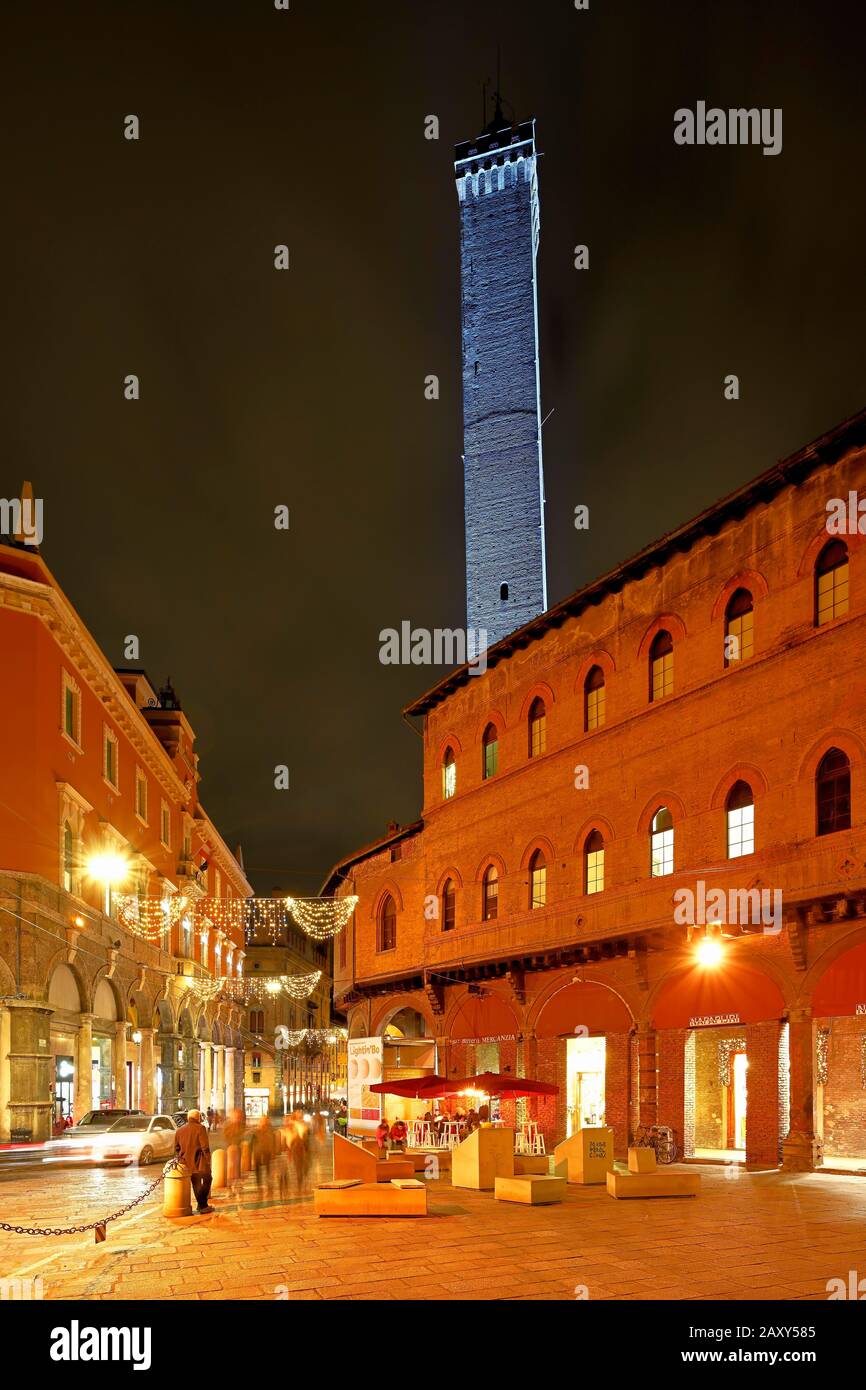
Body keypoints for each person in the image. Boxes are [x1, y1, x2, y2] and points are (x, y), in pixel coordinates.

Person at [174, 1108, 213, 1214]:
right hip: (200, 1162)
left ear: (188, 1118)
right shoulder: (200, 1128)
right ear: (198, 1118)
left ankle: (202, 1205)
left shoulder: (179, 1130)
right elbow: (205, 1146)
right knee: (208, 1179)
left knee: (196, 1184)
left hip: (186, 1162)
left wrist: (181, 1157)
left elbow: (176, 1148)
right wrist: (208, 1160)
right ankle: (202, 1205)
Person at [251, 1114, 276, 1198]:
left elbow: (273, 1142)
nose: (264, 1122)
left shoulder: (270, 1130)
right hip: (258, 1154)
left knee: (268, 1171)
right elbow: (252, 1144)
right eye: (262, 1120)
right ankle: (260, 1188)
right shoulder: (256, 1131)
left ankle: (269, 1188)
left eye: (265, 1120)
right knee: (258, 1173)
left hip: (267, 1153)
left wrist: (273, 1152)